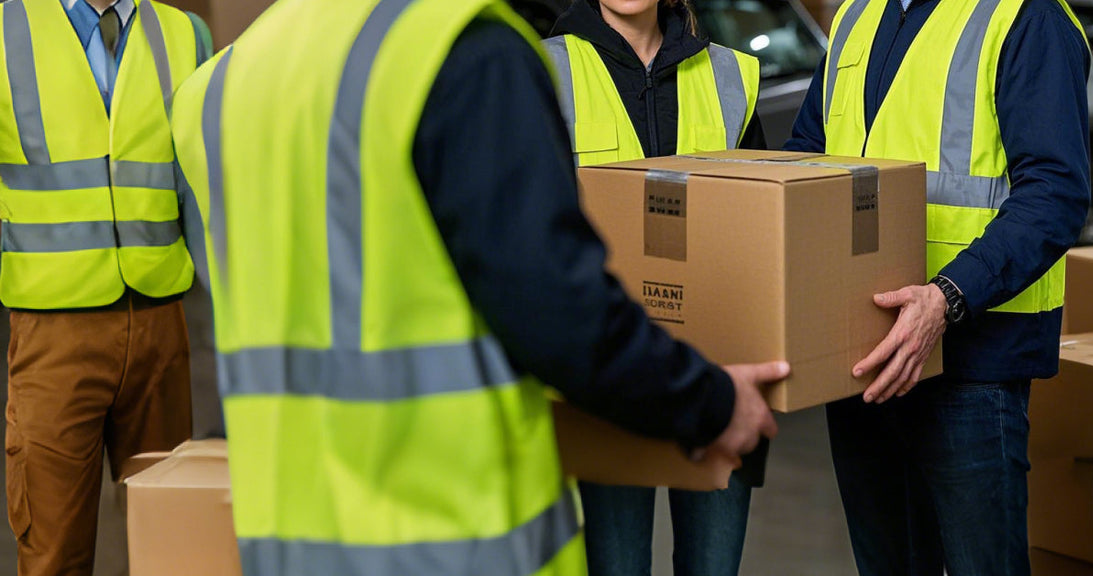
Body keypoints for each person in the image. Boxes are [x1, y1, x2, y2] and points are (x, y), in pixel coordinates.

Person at [169, 0, 788, 572]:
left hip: (294, 536)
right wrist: (711, 403)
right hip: (446, 529)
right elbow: (554, 311)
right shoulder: (461, 52)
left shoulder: (221, 82)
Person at [784, 0, 1091, 572]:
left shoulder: (1027, 17)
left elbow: (1056, 193)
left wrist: (946, 297)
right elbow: (807, 158)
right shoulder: (855, 14)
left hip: (972, 363)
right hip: (861, 356)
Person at [543, 1, 766, 573]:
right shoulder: (546, 68)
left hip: (718, 374)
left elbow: (766, 231)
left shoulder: (728, 75)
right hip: (604, 379)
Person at [0, 0, 210, 574]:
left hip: (162, 328)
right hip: (53, 332)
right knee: (53, 553)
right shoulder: (5, 28)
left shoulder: (185, 35)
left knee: (176, 543)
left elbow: (202, 185)